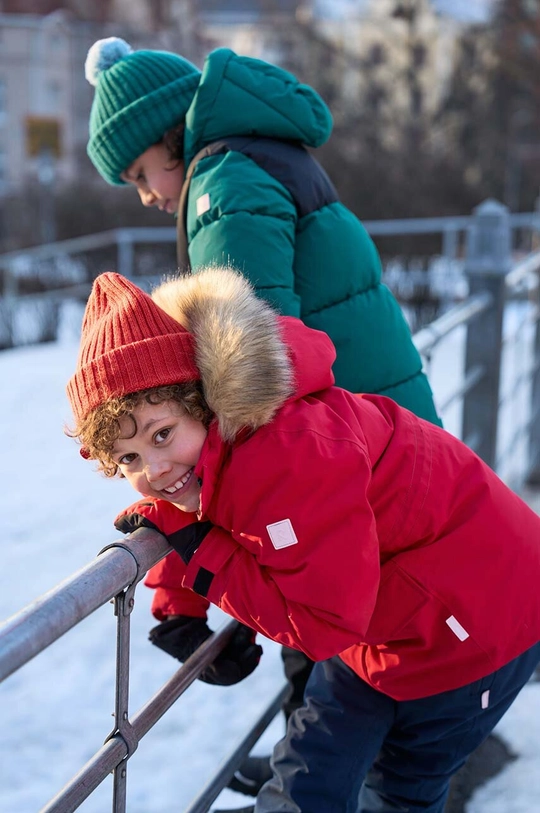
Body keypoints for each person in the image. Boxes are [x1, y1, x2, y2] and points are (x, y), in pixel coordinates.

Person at [83, 35, 443, 802]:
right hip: (380, 435)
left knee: (331, 641)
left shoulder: (223, 183)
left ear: (169, 132)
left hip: (339, 450)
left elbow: (247, 378)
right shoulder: (267, 154)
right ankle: (313, 767)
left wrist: (206, 570)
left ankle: (311, 778)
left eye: (142, 171)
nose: (146, 194)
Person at [67, 268, 540, 813]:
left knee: (399, 791)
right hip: (380, 617)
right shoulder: (228, 441)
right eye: (129, 459)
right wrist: (182, 607)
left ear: (202, 403)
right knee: (310, 772)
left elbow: (320, 622)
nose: (154, 468)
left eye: (162, 435)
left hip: (477, 624)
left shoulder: (287, 455)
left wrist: (200, 557)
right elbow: (204, 508)